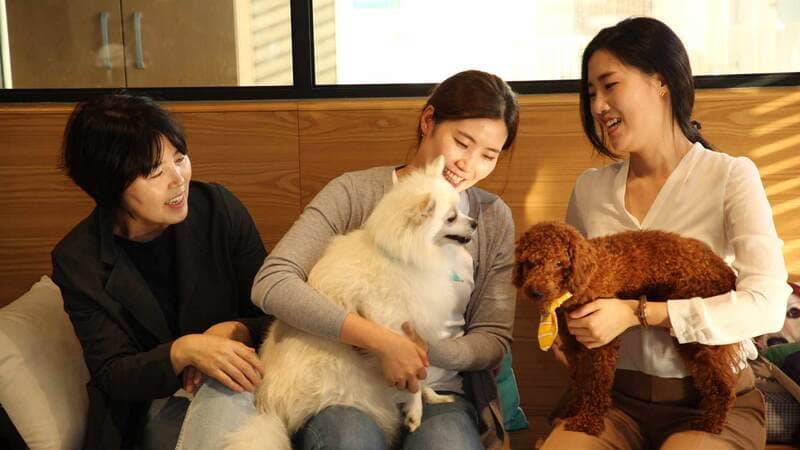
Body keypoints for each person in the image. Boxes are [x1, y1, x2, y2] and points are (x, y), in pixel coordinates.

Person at [541, 17, 792, 450]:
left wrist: (639, 313)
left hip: (711, 400)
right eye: (590, 94)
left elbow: (767, 305)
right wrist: (564, 329)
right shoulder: (590, 188)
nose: (598, 105)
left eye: (609, 85)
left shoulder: (730, 176)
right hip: (615, 399)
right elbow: (568, 288)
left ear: (660, 81)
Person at [249, 69, 519, 450]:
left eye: (488, 156)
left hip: (438, 390)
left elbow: (494, 338)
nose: (469, 165)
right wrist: (381, 341)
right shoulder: (353, 192)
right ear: (428, 122)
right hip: (342, 385)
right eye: (462, 143)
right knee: (350, 441)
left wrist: (422, 352)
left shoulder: (491, 218)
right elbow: (272, 283)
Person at [51, 94, 271, 450]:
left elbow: (275, 310)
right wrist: (183, 351)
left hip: (243, 383)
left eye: (180, 158)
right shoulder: (79, 260)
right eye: (155, 171)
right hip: (152, 405)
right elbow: (113, 373)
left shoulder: (218, 209)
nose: (177, 179)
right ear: (110, 185)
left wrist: (236, 329)